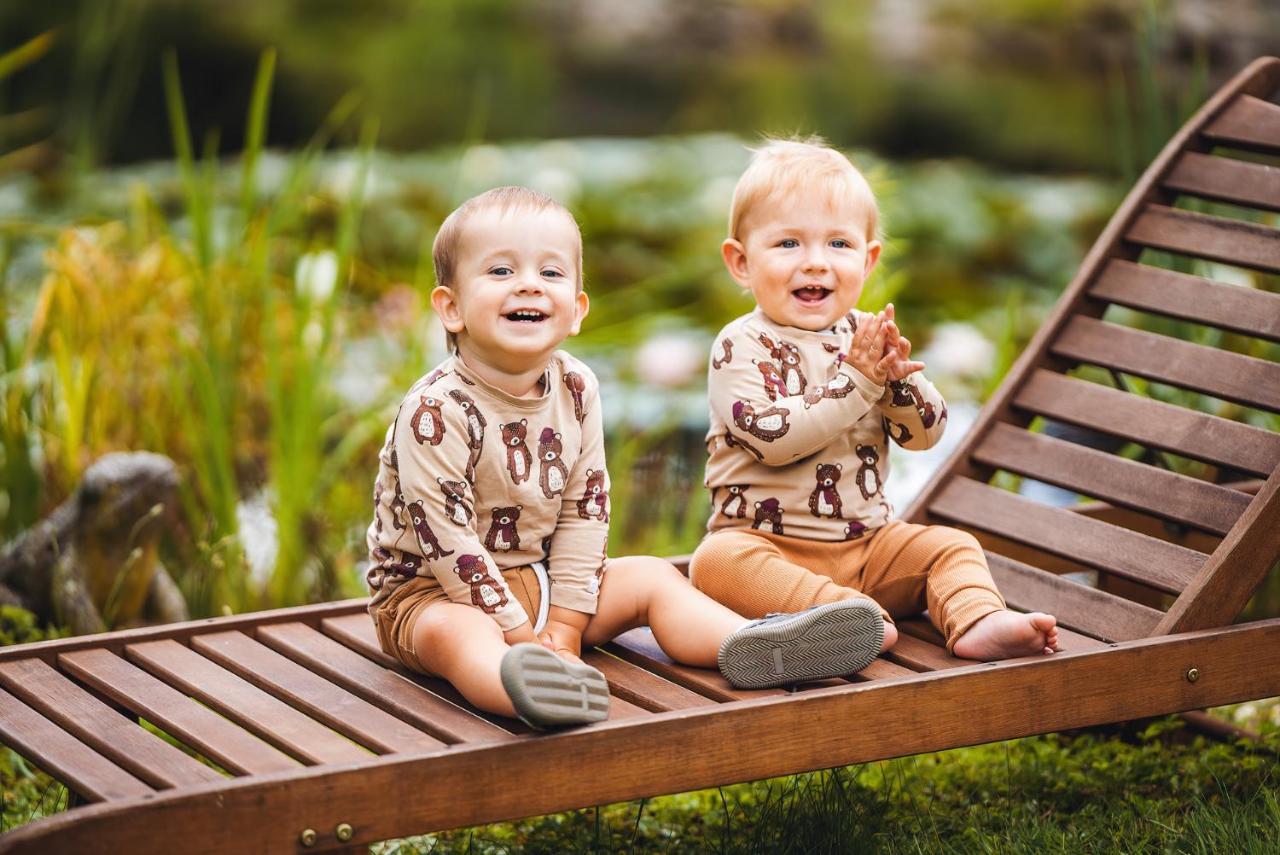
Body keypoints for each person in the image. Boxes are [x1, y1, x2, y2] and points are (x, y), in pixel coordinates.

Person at [366, 186, 888, 729]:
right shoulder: (435, 410)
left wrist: (566, 622)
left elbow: (584, 508)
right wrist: (521, 636)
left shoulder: (576, 387)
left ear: (577, 310)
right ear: (450, 308)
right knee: (458, 636)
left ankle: (750, 645)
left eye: (550, 274)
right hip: (430, 594)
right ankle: (521, 684)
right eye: (500, 272)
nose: (528, 285)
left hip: (543, 581)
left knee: (649, 578)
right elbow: (447, 539)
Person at [690, 139, 1060, 662]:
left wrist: (898, 383)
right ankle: (843, 620)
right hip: (767, 549)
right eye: (788, 244)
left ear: (868, 262)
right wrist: (861, 383)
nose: (815, 263)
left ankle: (979, 618)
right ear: (741, 262)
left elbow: (925, 434)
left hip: (870, 548)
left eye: (838, 245)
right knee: (715, 562)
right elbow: (775, 440)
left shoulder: (866, 337)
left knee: (950, 546)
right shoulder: (740, 345)